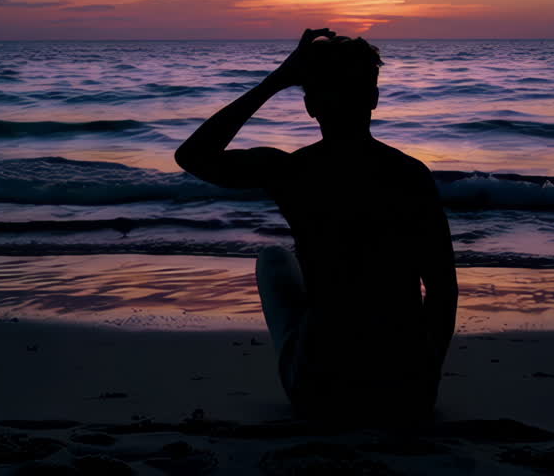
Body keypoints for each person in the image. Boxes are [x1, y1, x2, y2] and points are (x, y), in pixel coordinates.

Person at [175, 28, 458, 423]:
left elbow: (192, 155)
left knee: (274, 259)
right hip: (405, 389)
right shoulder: (410, 175)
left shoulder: (292, 171)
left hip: (321, 388)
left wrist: (276, 80)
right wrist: (426, 379)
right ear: (373, 99)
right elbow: (443, 288)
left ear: (309, 106)